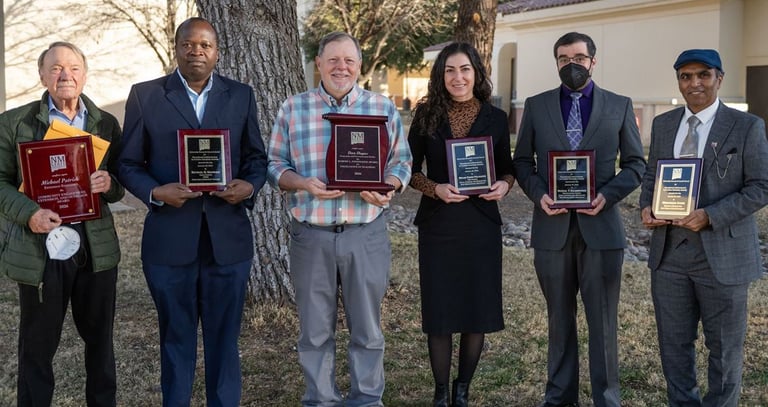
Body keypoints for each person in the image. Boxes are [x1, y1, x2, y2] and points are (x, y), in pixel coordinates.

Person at [117, 17, 267, 406]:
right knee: (175, 339)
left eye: (205, 45)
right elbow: (128, 163)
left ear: (217, 52)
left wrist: (249, 186)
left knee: (225, 341)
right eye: (188, 44)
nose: (196, 51)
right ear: (177, 48)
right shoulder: (146, 96)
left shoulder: (241, 95)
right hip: (169, 242)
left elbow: (256, 158)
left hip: (227, 243)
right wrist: (156, 192)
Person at [267, 31, 412, 407]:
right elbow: (274, 164)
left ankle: (367, 399)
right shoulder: (293, 108)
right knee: (314, 331)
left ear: (360, 65)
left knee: (367, 329)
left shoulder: (381, 108)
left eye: (349, 60)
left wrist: (388, 186)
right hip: (311, 234)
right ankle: (321, 400)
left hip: (365, 232)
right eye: (332, 60)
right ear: (318, 63)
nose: (341, 67)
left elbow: (402, 162)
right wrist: (303, 183)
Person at [512, 32, 646, 407]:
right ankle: (558, 398)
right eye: (563, 59)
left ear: (593, 61)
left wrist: (608, 195)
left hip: (601, 230)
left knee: (603, 322)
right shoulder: (537, 106)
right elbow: (522, 161)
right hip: (551, 230)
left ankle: (607, 399)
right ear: (556, 62)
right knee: (559, 320)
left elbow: (636, 164)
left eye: (579, 58)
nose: (571, 65)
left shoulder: (619, 105)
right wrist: (539, 194)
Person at [639, 49, 768, 407]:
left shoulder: (747, 126)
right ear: (679, 82)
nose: (694, 83)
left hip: (723, 255)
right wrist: (647, 206)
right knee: (673, 347)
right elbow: (652, 175)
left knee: (724, 350)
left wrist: (710, 215)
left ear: (719, 79)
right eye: (686, 76)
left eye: (703, 75)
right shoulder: (664, 124)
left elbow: (761, 186)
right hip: (669, 256)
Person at [0, 42, 122, 406]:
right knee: (37, 345)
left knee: (100, 342)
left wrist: (109, 184)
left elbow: (119, 182)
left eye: (73, 68)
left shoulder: (106, 124)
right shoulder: (15, 123)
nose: (65, 75)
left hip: (95, 245)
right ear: (42, 76)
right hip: (40, 245)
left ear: (84, 74)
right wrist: (29, 213)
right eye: (55, 68)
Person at [407, 42, 514, 407]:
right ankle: (440, 392)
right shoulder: (426, 116)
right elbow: (409, 170)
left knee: (476, 310)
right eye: (450, 70)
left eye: (465, 69)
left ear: (476, 73)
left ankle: (462, 390)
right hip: (438, 224)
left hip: (481, 225)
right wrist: (434, 188)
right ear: (441, 76)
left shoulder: (496, 118)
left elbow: (507, 168)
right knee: (440, 311)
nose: (458, 77)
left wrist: (504, 185)